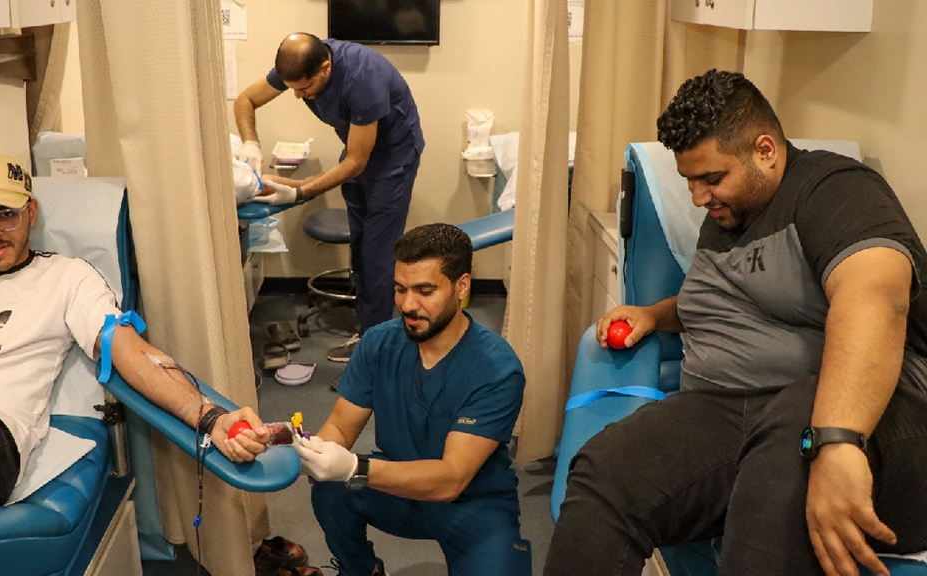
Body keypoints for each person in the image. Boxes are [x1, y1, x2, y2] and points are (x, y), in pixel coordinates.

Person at [544, 69, 927, 576]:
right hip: (731, 410)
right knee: (605, 472)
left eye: (711, 178)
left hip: (860, 420)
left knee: (784, 457)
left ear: (765, 150)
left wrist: (838, 439)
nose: (698, 197)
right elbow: (724, 299)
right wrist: (655, 315)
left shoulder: (835, 189)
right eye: (689, 181)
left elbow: (875, 298)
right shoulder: (731, 212)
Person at [0, 152, 313, 576]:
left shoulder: (67, 278)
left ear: (31, 212)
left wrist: (209, 417)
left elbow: (130, 351)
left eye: (6, 214)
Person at [293, 224, 532, 576]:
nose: (407, 305)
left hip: (473, 502)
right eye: (400, 289)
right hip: (400, 485)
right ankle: (362, 570)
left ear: (462, 286)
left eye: (424, 291)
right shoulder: (378, 343)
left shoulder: (496, 369)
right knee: (330, 489)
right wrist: (306, 450)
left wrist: (355, 468)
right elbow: (340, 427)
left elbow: (451, 478)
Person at [235, 32, 424, 362]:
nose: (299, 96)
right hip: (356, 149)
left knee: (378, 256)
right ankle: (368, 333)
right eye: (293, 88)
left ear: (326, 68)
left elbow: (357, 162)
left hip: (393, 158)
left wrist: (300, 191)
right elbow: (245, 100)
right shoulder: (300, 62)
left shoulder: (363, 77)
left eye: (305, 88)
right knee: (360, 248)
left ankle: (375, 354)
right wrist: (251, 143)